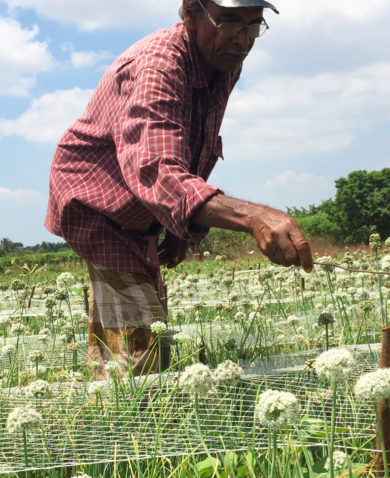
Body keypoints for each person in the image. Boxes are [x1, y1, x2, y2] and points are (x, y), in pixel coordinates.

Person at [45, 0, 313, 379]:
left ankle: (103, 403)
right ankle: (131, 424)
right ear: (190, 12)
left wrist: (175, 224)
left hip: (140, 204)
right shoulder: (157, 67)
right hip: (98, 201)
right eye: (229, 22)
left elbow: (192, 146)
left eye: (254, 26)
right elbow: (157, 169)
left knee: (136, 319)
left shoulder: (223, 60)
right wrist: (255, 217)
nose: (243, 39)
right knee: (143, 338)